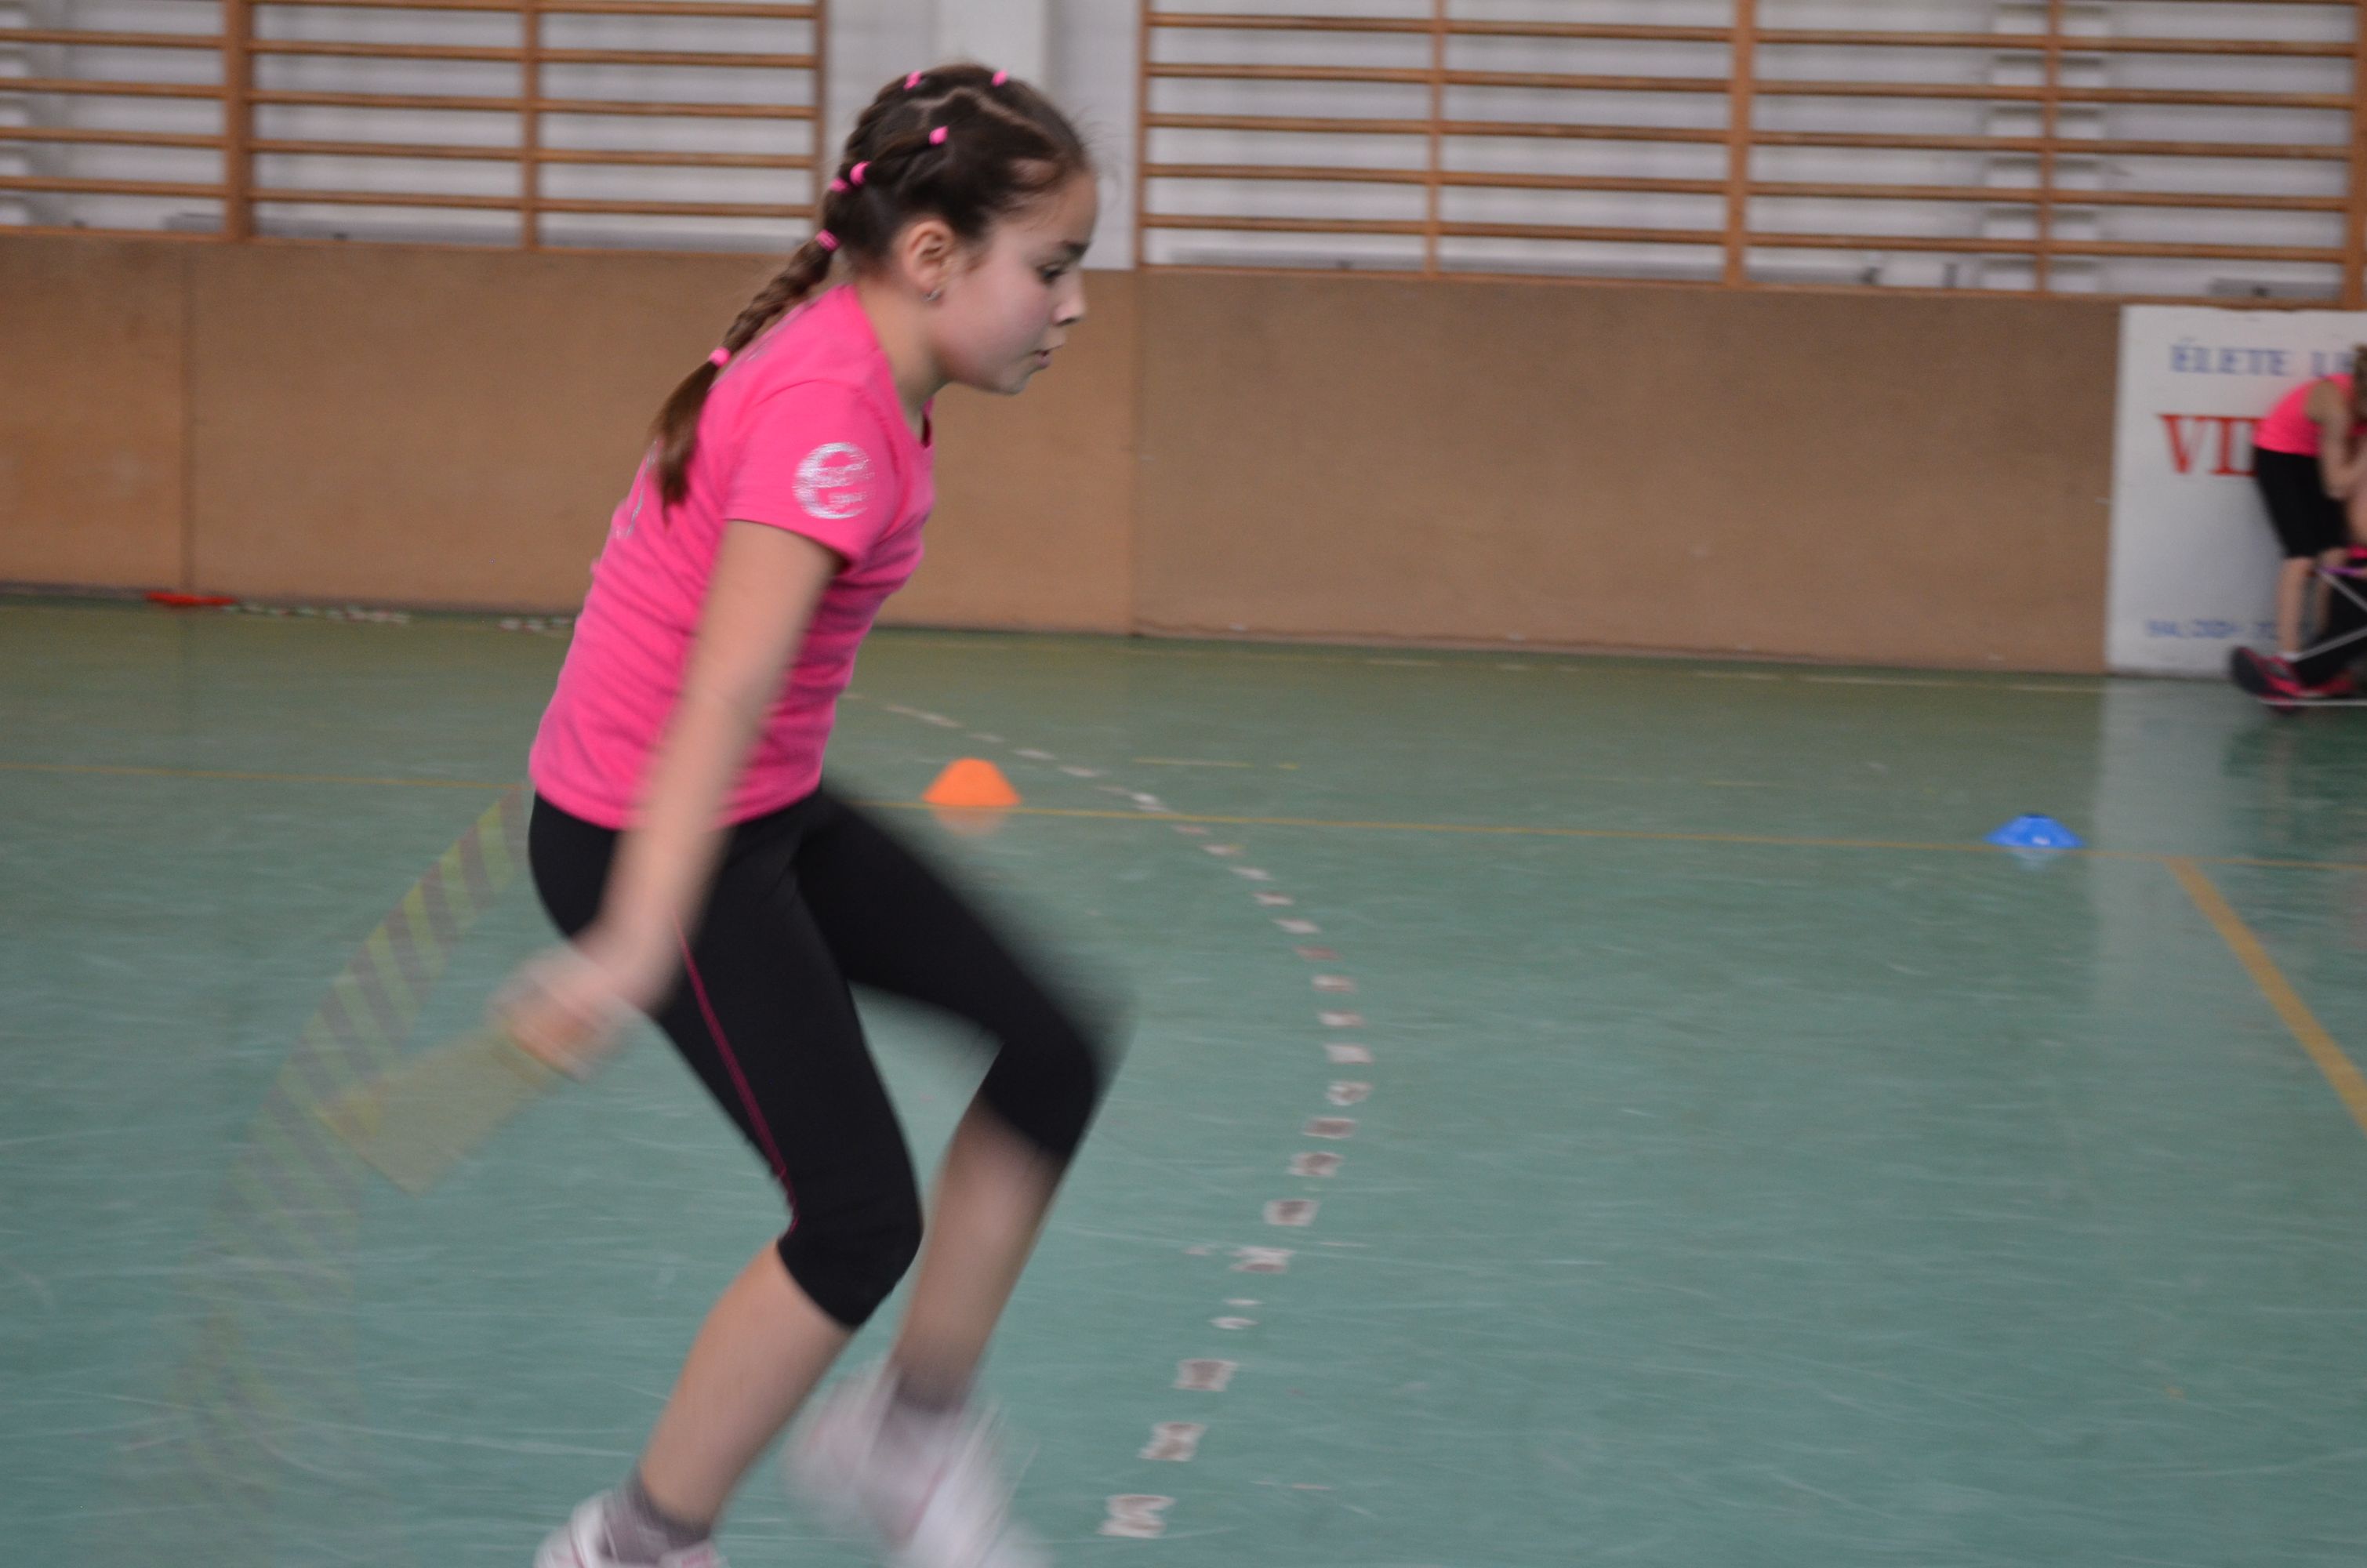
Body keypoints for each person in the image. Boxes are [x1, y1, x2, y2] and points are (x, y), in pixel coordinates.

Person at [496, 64, 1115, 1568]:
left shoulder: (861, 366)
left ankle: (908, 1429)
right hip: (653, 830)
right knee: (852, 1222)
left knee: (1050, 1047)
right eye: (1052, 268)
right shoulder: (831, 412)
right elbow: (719, 691)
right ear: (932, 256)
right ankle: (636, 1544)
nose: (1072, 306)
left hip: (754, 809)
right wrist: (637, 935)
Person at [2232, 348, 2367, 704]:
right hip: (2281, 455)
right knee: (2302, 555)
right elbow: (2336, 487)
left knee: (2336, 555)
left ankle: (2321, 662)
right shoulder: (2338, 408)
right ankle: (2288, 662)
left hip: (2318, 457)